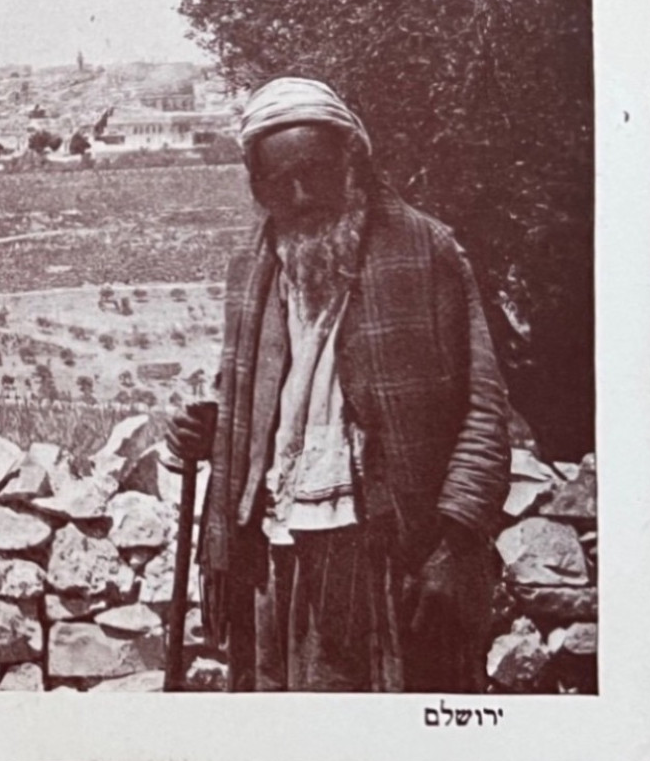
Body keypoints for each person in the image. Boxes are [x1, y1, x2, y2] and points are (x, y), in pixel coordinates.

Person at [170, 76, 509, 693]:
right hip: (274, 548)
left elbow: (484, 412)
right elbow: (256, 408)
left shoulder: (425, 250)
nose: (300, 195)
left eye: (316, 171)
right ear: (257, 185)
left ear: (352, 159)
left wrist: (453, 545)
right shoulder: (252, 268)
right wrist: (203, 434)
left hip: (387, 549)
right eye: (279, 181)